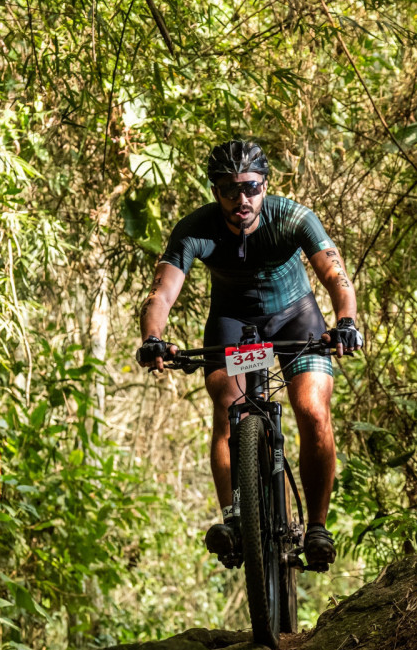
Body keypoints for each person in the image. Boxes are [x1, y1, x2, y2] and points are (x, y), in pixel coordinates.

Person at [135, 139, 363, 570]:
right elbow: (161, 293)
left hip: (296, 318)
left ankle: (316, 527)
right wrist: (153, 338)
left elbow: (336, 275)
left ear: (264, 185)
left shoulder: (293, 217)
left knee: (312, 409)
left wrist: (346, 321)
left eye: (251, 188)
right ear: (214, 190)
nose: (242, 199)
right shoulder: (196, 229)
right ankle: (234, 521)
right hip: (234, 323)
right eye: (229, 189)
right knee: (228, 407)